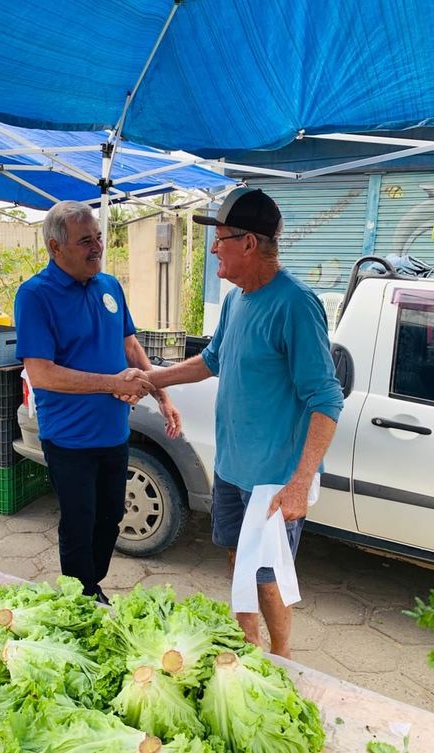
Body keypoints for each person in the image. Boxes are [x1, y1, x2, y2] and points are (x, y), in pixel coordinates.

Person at [144, 187, 344, 657]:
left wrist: (299, 482)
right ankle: (248, 642)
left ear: (249, 243)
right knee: (238, 558)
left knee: (269, 576)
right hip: (232, 468)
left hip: (272, 481)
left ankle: (282, 659)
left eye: (221, 237)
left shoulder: (295, 305)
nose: (214, 247)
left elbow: (326, 398)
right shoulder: (236, 301)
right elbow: (212, 359)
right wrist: (154, 378)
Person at [14, 200, 181, 602]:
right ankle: (82, 595)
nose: (98, 247)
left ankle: (92, 583)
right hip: (69, 439)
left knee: (111, 518)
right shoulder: (35, 295)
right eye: (85, 240)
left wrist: (162, 394)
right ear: (56, 247)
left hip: (113, 433)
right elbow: (42, 373)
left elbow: (129, 344)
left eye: (99, 237)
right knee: (79, 521)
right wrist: (111, 384)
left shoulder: (109, 286)